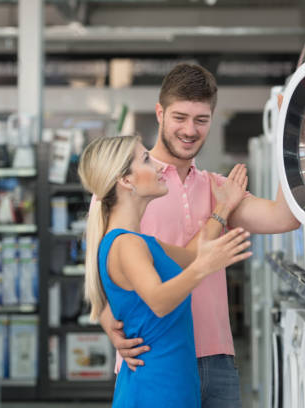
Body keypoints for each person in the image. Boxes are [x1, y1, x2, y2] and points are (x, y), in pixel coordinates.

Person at [98, 63, 301, 408]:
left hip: (217, 360)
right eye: (180, 117)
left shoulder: (218, 188)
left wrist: (295, 135)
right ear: (160, 113)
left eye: (201, 120)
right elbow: (98, 267)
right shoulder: (126, 184)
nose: (190, 130)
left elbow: (285, 217)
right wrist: (107, 321)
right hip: (153, 358)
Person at [78, 135, 253, 407]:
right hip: (155, 391)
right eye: (146, 159)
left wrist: (224, 207)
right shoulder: (126, 244)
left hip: (172, 385)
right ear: (126, 180)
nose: (160, 167)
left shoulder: (143, 243)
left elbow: (190, 254)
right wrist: (205, 266)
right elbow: (159, 300)